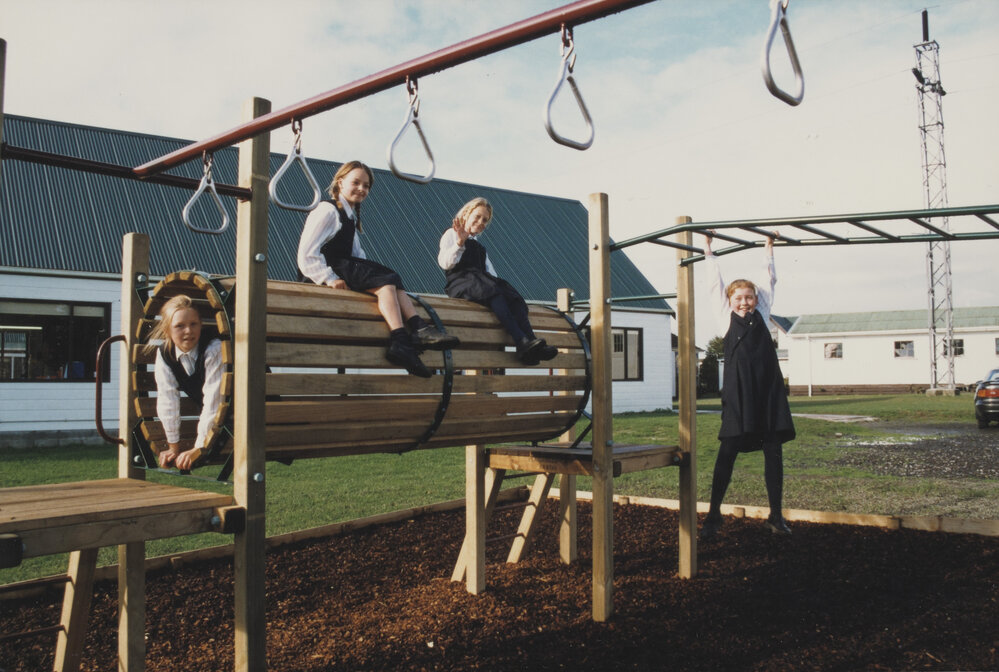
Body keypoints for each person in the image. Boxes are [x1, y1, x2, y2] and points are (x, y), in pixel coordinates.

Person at [297, 160, 458, 378]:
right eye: (356, 183)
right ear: (340, 182)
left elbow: (357, 255)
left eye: (366, 186)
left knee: (389, 277)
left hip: (343, 265)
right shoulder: (328, 210)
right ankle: (406, 337)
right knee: (384, 278)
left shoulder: (350, 215)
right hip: (327, 268)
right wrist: (328, 278)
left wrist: (369, 274)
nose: (362, 189)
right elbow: (306, 252)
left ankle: (413, 332)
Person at [700, 232, 795, 540]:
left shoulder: (763, 314)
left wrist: (768, 248)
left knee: (774, 451)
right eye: (738, 298)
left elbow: (770, 281)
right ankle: (713, 516)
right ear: (730, 302)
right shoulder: (725, 318)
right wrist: (708, 249)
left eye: (749, 298)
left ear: (756, 300)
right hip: (739, 394)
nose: (744, 302)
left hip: (767, 392)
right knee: (728, 450)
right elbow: (715, 283)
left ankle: (776, 516)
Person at [438, 197, 558, 365]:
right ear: (466, 214)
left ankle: (531, 341)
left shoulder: (480, 247)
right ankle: (520, 341)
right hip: (461, 282)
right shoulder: (451, 234)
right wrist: (460, 242)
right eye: (477, 216)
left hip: (481, 283)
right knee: (494, 291)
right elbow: (445, 263)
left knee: (512, 296)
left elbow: (490, 273)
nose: (481, 222)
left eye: (485, 220)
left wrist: (504, 289)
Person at [148, 294, 223, 471]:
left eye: (193, 324)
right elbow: (168, 399)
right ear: (167, 330)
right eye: (180, 326)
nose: (188, 331)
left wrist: (198, 447)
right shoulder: (165, 354)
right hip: (221, 419)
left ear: (201, 325)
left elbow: (214, 402)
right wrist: (173, 446)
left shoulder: (214, 349)